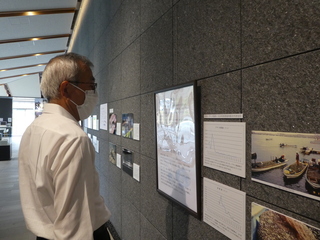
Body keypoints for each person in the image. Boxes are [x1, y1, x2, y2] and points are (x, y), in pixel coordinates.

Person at [19, 53, 111, 240]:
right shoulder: (72, 138)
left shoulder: (33, 128)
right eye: (91, 85)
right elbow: (74, 227)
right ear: (66, 89)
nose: (94, 92)